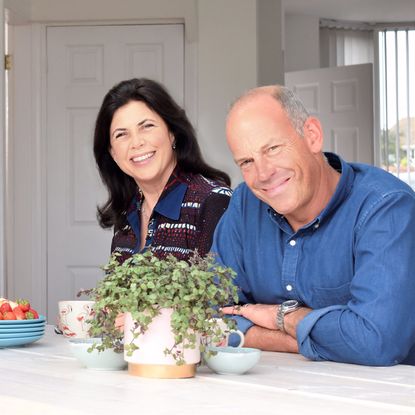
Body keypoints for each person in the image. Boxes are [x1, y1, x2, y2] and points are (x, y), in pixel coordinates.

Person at [211, 85, 415, 366]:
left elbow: (376, 341)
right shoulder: (245, 203)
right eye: (247, 161)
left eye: (272, 148)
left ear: (312, 136)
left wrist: (281, 316)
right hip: (273, 392)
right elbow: (208, 312)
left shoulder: (386, 206)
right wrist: (304, 338)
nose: (263, 173)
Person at [93, 78, 232, 264]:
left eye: (147, 126)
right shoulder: (128, 214)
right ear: (113, 153)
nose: (137, 143)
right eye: (121, 134)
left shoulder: (213, 201)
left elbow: (227, 289)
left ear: (172, 132)